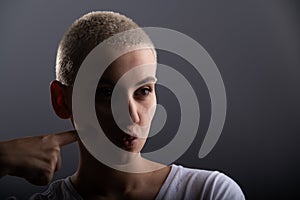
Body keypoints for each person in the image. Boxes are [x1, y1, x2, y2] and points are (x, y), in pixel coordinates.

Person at [3, 11, 245, 199]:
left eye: (143, 91)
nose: (130, 116)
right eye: (106, 92)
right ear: (61, 100)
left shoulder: (209, 193)